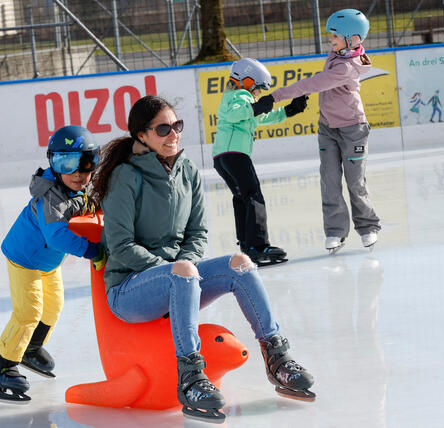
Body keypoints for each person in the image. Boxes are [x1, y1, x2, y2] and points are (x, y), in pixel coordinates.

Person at [92, 95, 315, 423]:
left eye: (176, 126)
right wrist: (174, 272)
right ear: (142, 136)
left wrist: (185, 271)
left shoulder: (188, 172)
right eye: (164, 129)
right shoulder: (125, 177)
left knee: (240, 264)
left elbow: (197, 236)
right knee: (182, 270)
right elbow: (122, 246)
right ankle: (192, 378)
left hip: (180, 279)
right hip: (129, 288)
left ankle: (277, 357)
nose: (174, 134)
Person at [0, 125, 107, 403]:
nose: (78, 173)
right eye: (68, 163)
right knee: (28, 313)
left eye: (87, 164)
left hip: (47, 262)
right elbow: (56, 237)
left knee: (53, 307)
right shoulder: (50, 197)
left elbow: (89, 207)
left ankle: (30, 348)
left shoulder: (80, 188)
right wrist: (92, 250)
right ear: (54, 164)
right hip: (25, 258)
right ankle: (3, 366)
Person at [262, 8, 381, 254]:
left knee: (355, 182)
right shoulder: (340, 51)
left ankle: (368, 226)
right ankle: (336, 231)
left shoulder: (347, 67)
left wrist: (274, 97)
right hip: (327, 128)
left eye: (335, 36)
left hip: (353, 129)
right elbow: (322, 77)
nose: (330, 40)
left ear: (353, 39)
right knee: (329, 181)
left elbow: (314, 83)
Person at [212, 58, 308, 266]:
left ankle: (247, 245)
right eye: (258, 90)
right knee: (254, 195)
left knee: (242, 197)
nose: (259, 95)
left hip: (223, 157)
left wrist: (288, 111)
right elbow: (236, 113)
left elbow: (262, 117)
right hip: (234, 154)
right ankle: (259, 245)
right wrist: (256, 106)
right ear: (247, 82)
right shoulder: (239, 95)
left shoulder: (240, 99)